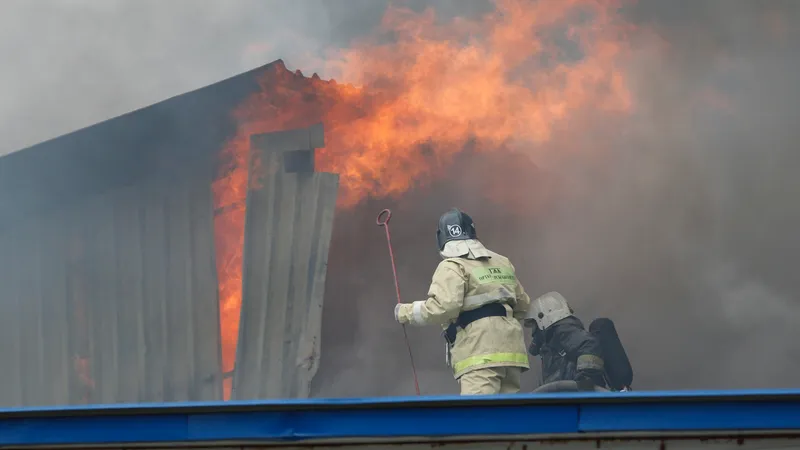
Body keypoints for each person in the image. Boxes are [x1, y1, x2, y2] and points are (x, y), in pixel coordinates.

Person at [394, 208, 531, 395]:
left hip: (480, 355)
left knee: (478, 412)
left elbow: (442, 308)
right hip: (512, 354)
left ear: (441, 238)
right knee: (506, 412)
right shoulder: (501, 262)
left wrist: (405, 312)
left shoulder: (453, 265)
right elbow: (523, 305)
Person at [524, 291, 606, 391]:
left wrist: (585, 378)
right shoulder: (552, 341)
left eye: (534, 324)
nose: (533, 332)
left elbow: (588, 344)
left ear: (542, 317)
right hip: (564, 396)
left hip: (575, 396)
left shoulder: (563, 331)